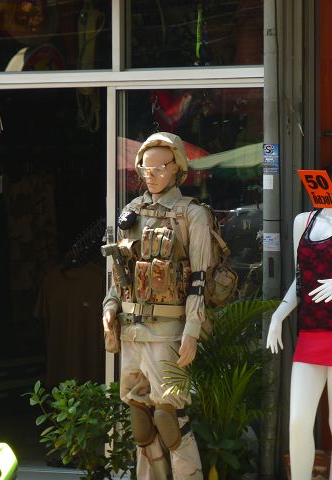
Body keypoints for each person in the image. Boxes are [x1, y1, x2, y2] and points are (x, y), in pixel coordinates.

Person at [102, 132, 210, 480]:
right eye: (145, 168)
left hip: (168, 331)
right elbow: (120, 272)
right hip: (131, 329)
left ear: (177, 167)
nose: (150, 175)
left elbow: (200, 280)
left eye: (159, 168)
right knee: (140, 418)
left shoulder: (191, 214)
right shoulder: (131, 212)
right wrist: (109, 307)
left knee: (169, 416)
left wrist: (192, 330)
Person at [266, 186, 332, 480]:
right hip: (310, 332)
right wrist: (278, 314)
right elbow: (300, 280)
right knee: (298, 421)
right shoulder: (303, 221)